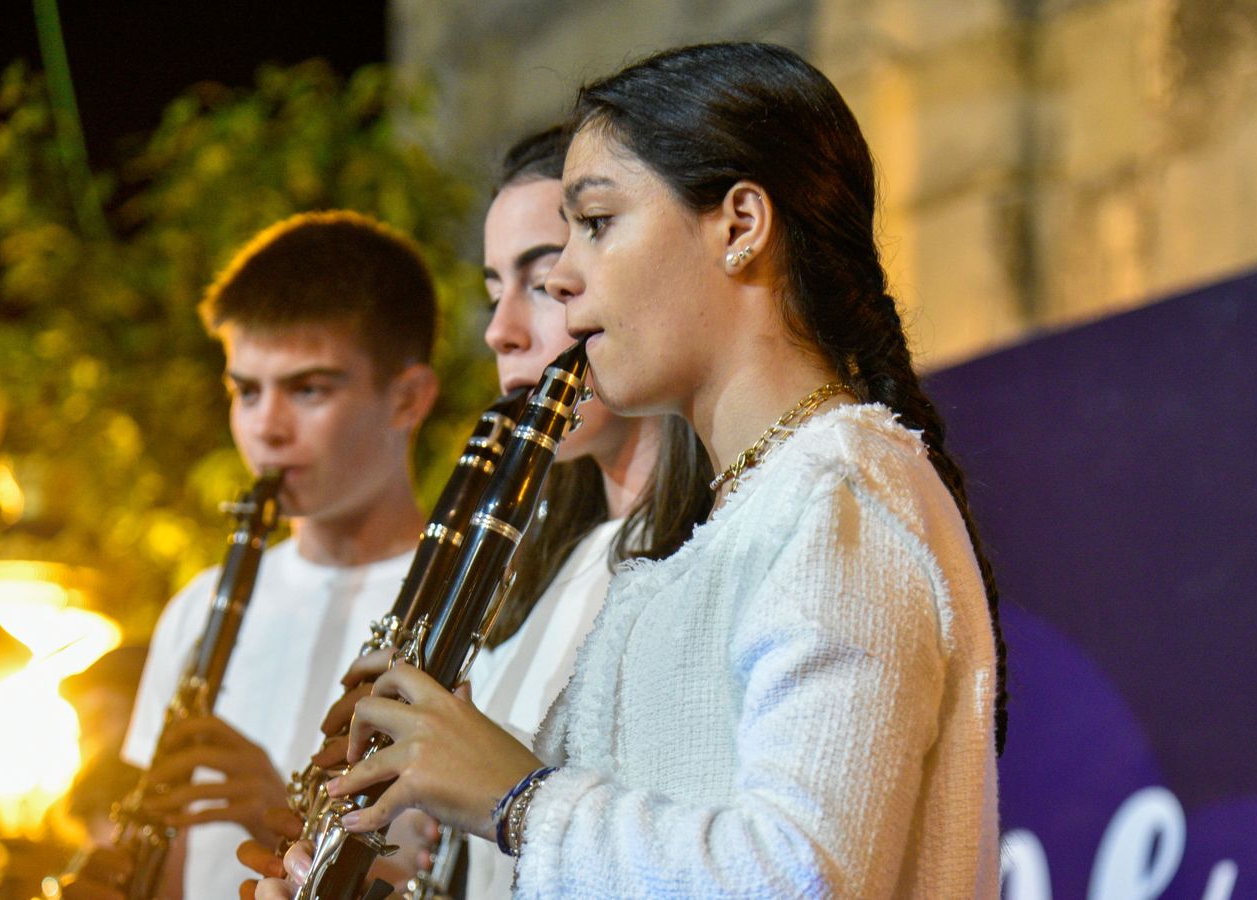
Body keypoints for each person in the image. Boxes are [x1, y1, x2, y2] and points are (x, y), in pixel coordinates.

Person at [262, 41, 1007, 898]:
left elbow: (806, 874)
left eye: (597, 223)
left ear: (740, 226)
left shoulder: (841, 491)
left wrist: (516, 799)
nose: (567, 277)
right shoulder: (727, 531)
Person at [236, 125, 712, 899]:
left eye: (544, 280)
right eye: (494, 293)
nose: (500, 331)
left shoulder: (698, 563)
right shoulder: (538, 578)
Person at [70, 210, 442, 900]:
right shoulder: (199, 606)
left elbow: (471, 878)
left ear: (407, 398)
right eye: (246, 391)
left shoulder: (474, 604)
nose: (266, 428)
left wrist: (285, 815)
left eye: (308, 389)